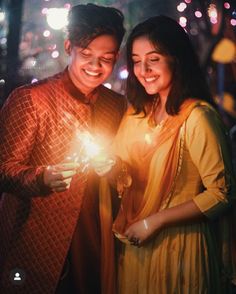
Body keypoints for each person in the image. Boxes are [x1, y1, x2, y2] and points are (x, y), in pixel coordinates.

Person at [98, 15, 236, 293]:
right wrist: (111, 168)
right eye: (136, 60)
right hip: (136, 247)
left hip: (181, 249)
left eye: (154, 58)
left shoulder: (197, 118)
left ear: (176, 59)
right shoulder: (137, 115)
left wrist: (155, 221)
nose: (143, 69)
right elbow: (126, 175)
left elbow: (222, 193)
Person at [0, 3, 126, 294]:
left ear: (116, 57)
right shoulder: (31, 100)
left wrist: (113, 167)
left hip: (93, 234)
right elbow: (4, 168)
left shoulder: (115, 105)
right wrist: (41, 177)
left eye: (106, 59)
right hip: (36, 235)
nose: (95, 67)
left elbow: (122, 166)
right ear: (69, 46)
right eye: (86, 55)